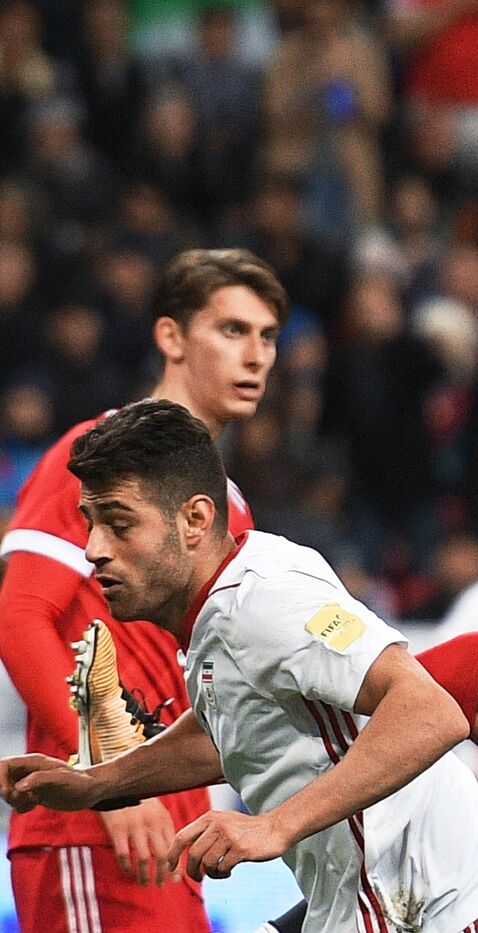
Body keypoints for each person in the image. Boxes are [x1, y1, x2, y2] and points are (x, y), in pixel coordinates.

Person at [0, 400, 478, 931]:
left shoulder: (265, 601)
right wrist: (97, 784)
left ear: (196, 520)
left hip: (459, 912)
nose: (94, 549)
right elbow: (229, 732)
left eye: (119, 524)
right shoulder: (216, 612)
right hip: (382, 908)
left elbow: (431, 709)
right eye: (90, 523)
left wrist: (271, 827)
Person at [0, 248, 286, 931]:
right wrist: (108, 785)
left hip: (174, 834)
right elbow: (18, 615)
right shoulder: (99, 454)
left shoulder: (228, 505)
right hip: (93, 828)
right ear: (171, 337)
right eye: (232, 330)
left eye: (268, 335)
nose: (256, 356)